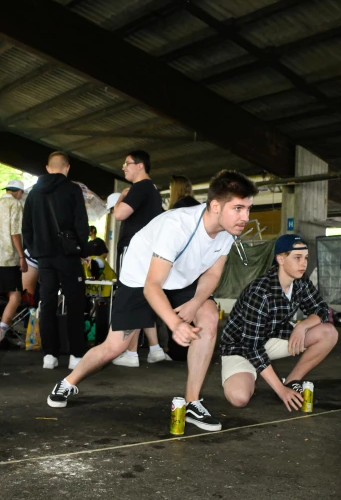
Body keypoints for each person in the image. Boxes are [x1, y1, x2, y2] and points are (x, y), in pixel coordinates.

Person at [47, 170, 257, 431]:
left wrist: (194, 304)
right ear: (215, 205)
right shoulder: (177, 226)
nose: (245, 217)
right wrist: (175, 323)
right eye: (238, 208)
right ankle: (67, 383)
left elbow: (213, 273)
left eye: (248, 208)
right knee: (113, 347)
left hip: (180, 278)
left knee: (209, 316)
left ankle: (192, 402)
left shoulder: (227, 232)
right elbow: (152, 286)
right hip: (141, 278)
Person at [220, 234, 338, 413]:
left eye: (305, 258)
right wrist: (280, 391)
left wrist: (302, 325)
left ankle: (292, 381)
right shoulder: (260, 292)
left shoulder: (301, 282)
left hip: (273, 338)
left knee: (329, 333)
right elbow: (252, 347)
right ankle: (263, 379)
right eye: (297, 258)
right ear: (280, 259)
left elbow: (321, 309)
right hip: (241, 348)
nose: (303, 264)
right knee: (239, 398)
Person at [22, 151, 89, 371]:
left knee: (47, 303)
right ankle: (76, 355)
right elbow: (81, 222)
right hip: (68, 255)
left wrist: (36, 250)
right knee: (75, 303)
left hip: (44, 257)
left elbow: (26, 228)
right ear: (67, 168)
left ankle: (49, 355)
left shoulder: (33, 194)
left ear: (48, 168)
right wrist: (82, 249)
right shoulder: (72, 189)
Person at [112, 150, 168, 367]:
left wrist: (121, 198)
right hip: (148, 251)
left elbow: (119, 214)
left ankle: (132, 352)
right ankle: (154, 348)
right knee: (144, 296)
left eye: (127, 163)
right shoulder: (153, 190)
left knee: (130, 297)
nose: (124, 167)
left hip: (134, 250)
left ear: (140, 165)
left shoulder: (140, 188)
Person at [0, 180, 27, 341]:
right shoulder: (15, 205)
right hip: (8, 258)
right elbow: (15, 232)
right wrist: (22, 256)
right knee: (15, 296)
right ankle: (2, 330)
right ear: (19, 192)